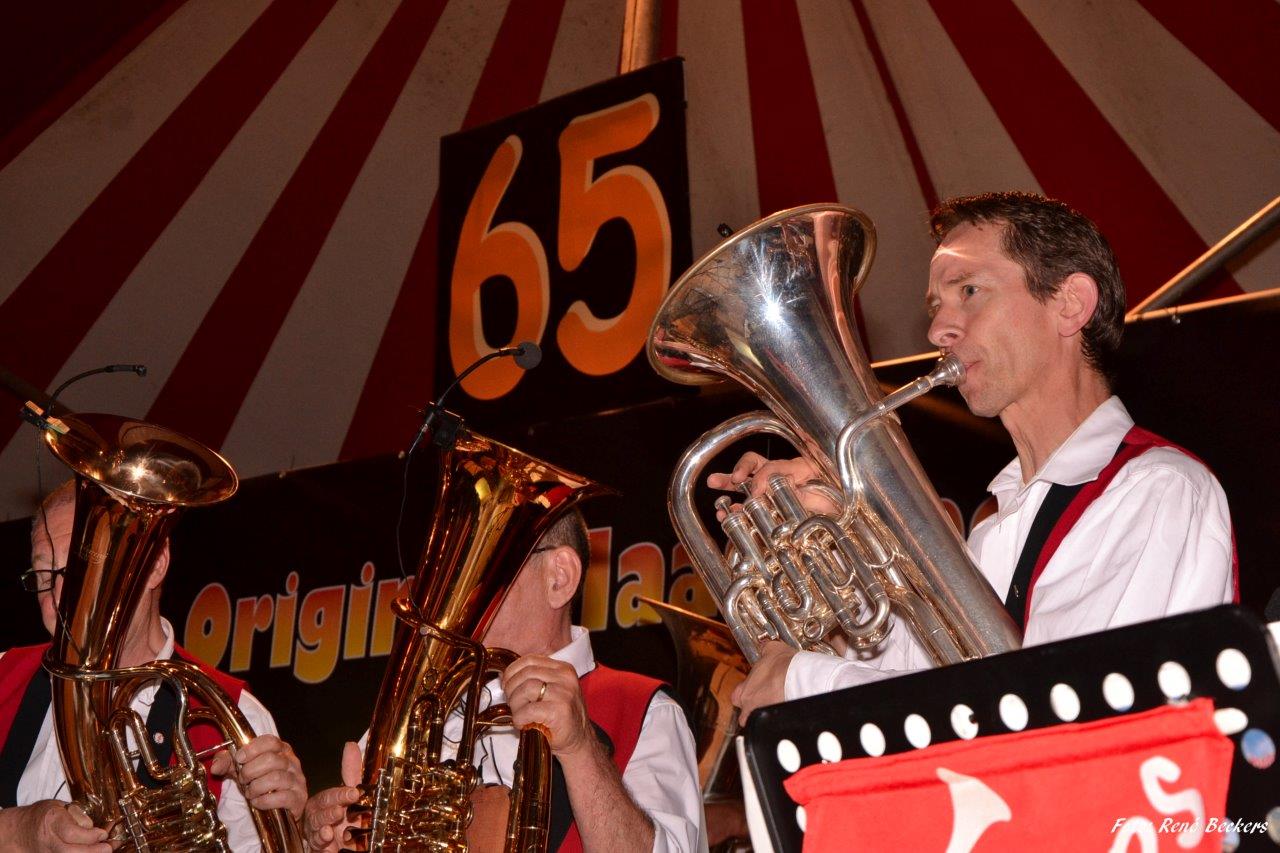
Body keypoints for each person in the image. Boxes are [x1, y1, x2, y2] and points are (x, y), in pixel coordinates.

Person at [721, 192, 1236, 717]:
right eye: (936, 306)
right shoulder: (992, 531)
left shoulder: (1156, 490)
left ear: (1070, 304)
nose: (937, 331)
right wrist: (830, 553)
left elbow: (1064, 710)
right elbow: (903, 688)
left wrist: (803, 678)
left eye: (969, 290)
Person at [303, 509, 705, 852]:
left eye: (480, 567)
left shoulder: (646, 710)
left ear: (559, 577)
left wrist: (581, 749)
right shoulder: (418, 714)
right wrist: (332, 841)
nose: (453, 593)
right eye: (452, 571)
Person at [0, 481, 308, 852]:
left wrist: (297, 831)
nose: (61, 597)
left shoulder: (236, 716)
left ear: (155, 565)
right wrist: (18, 832)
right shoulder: (3, 675)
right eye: (44, 575)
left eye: (85, 568)